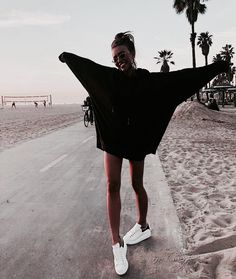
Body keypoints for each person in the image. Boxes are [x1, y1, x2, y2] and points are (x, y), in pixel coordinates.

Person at [59, 31, 229, 276]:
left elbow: (183, 80)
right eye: (115, 57)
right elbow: (89, 70)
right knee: (112, 185)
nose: (119, 60)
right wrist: (69, 59)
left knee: (138, 184)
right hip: (114, 139)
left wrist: (215, 67)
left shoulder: (148, 80)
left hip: (136, 139)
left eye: (123, 54)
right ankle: (117, 243)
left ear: (133, 53)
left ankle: (143, 225)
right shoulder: (110, 78)